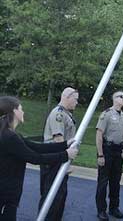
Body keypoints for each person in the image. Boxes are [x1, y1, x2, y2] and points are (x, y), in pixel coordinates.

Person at [0, 96, 78, 221]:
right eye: (21, 108)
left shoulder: (12, 135)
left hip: (9, 191)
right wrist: (65, 155)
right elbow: (35, 158)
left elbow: (37, 147)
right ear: (14, 111)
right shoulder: (9, 137)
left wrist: (64, 145)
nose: (23, 111)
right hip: (5, 192)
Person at [38, 86, 79, 220]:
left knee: (59, 198)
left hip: (58, 160)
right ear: (66, 96)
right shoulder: (59, 114)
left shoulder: (66, 114)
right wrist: (65, 162)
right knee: (51, 198)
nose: (77, 102)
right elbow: (58, 140)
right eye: (75, 99)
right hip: (54, 162)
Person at [95, 91, 123, 220]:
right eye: (120, 96)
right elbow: (99, 135)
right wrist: (100, 155)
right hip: (107, 150)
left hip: (118, 151)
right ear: (114, 99)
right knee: (103, 182)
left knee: (116, 181)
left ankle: (114, 208)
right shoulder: (106, 114)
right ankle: (101, 210)